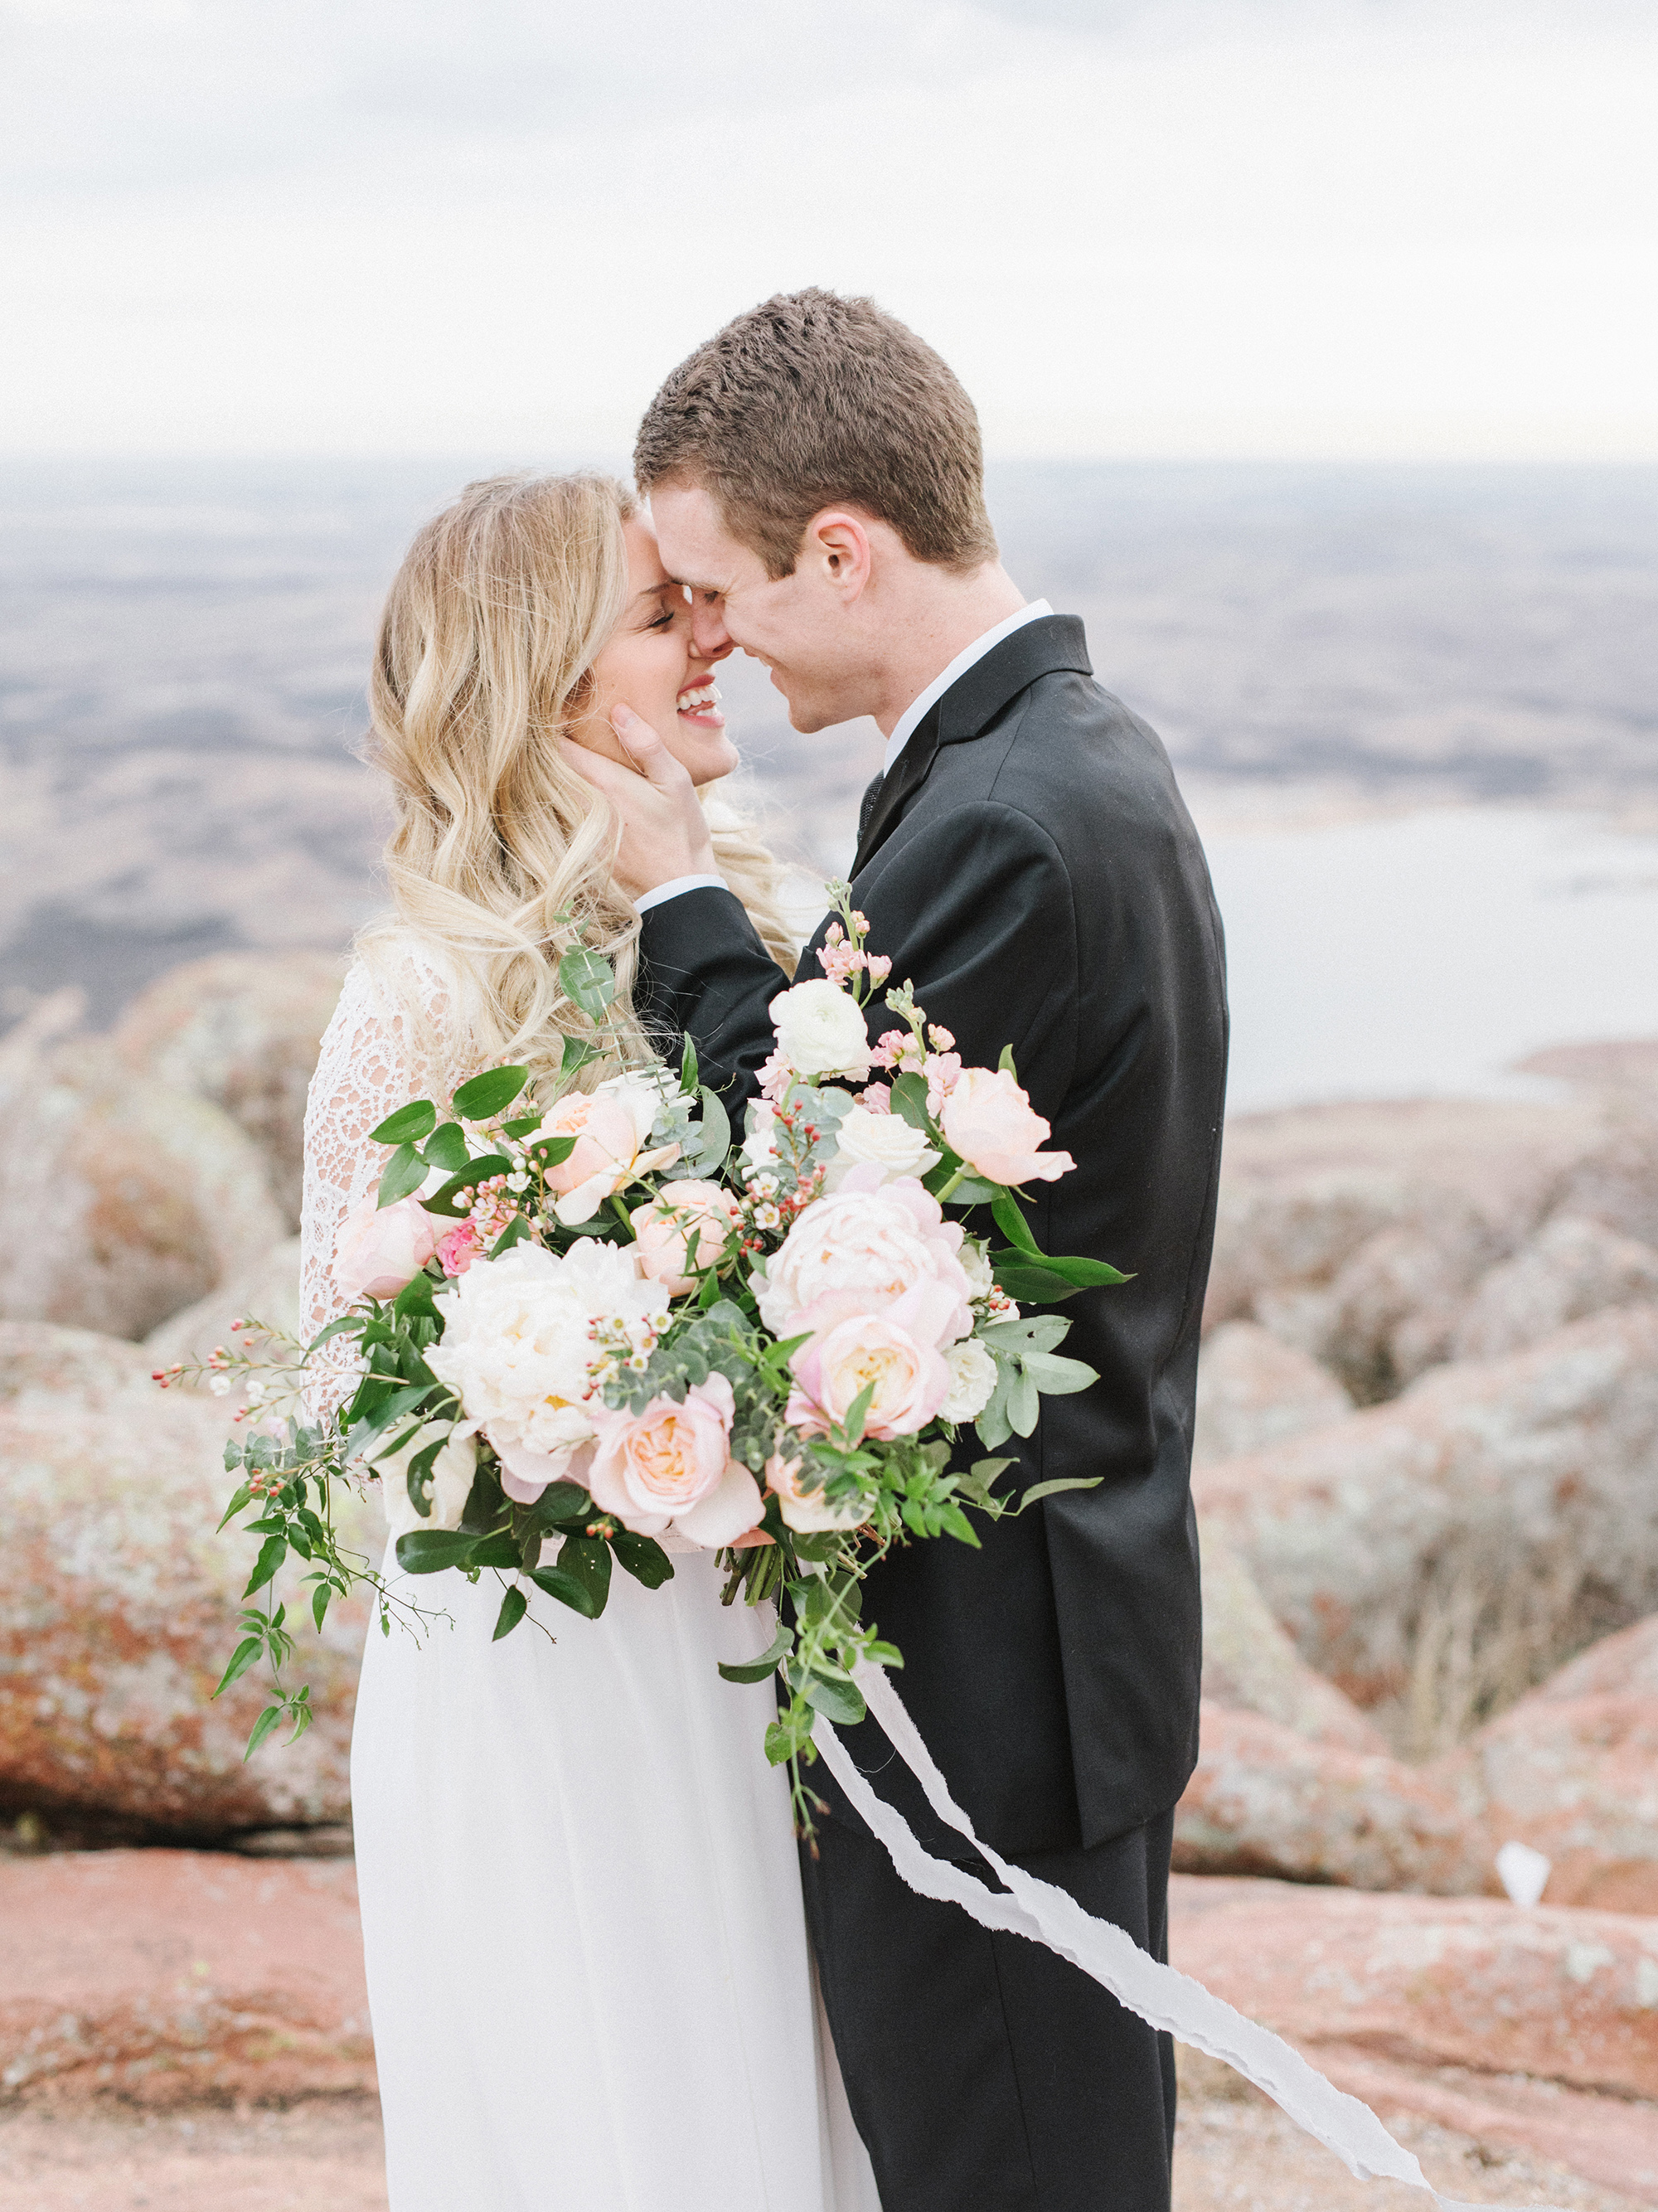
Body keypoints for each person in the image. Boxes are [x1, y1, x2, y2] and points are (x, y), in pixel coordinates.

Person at [572, 291, 1230, 2212]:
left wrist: (678, 898)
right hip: (1046, 1633)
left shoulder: (1012, 818)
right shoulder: (1045, 755)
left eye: (716, 587)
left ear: (839, 547)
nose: (708, 634)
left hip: (993, 1662)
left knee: (1005, 2168)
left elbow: (801, 1184)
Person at [300, 471, 879, 2212]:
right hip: (545, 1671)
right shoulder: (424, 990)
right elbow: (343, 1382)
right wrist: (561, 1363)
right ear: (551, 684)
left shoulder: (756, 921)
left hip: (739, 1642)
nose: (712, 634)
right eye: (660, 613)